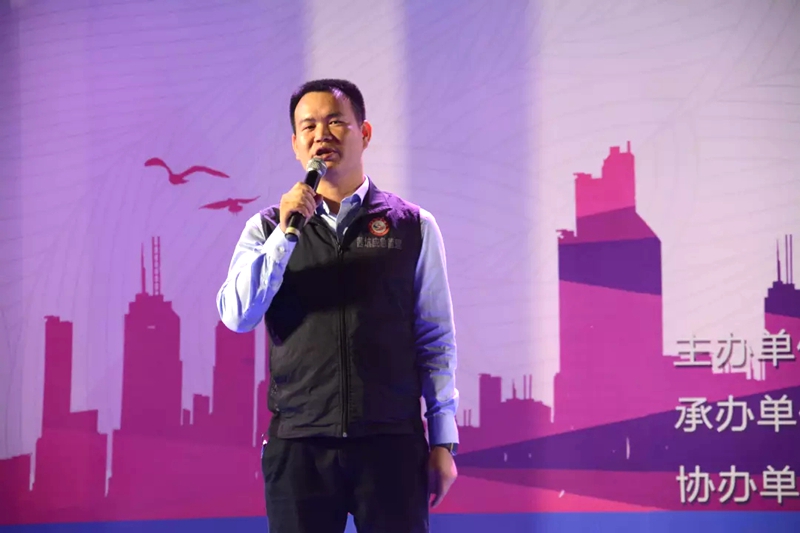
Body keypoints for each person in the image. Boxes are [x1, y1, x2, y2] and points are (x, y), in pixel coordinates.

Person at [216, 78, 459, 533]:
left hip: (390, 442)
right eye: (308, 126)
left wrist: (443, 441)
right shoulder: (266, 228)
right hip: (300, 447)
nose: (321, 135)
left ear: (364, 133)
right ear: (295, 144)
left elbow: (435, 340)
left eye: (335, 122)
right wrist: (285, 235)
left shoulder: (413, 226)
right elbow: (237, 315)